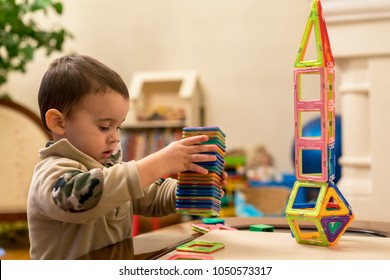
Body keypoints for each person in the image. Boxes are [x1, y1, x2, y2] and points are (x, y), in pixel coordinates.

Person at [27, 54, 227, 260]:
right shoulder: (51, 171)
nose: (114, 137)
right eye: (104, 126)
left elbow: (152, 196)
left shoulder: (109, 169)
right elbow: (81, 197)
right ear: (59, 122)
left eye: (118, 127)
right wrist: (161, 161)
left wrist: (196, 188)